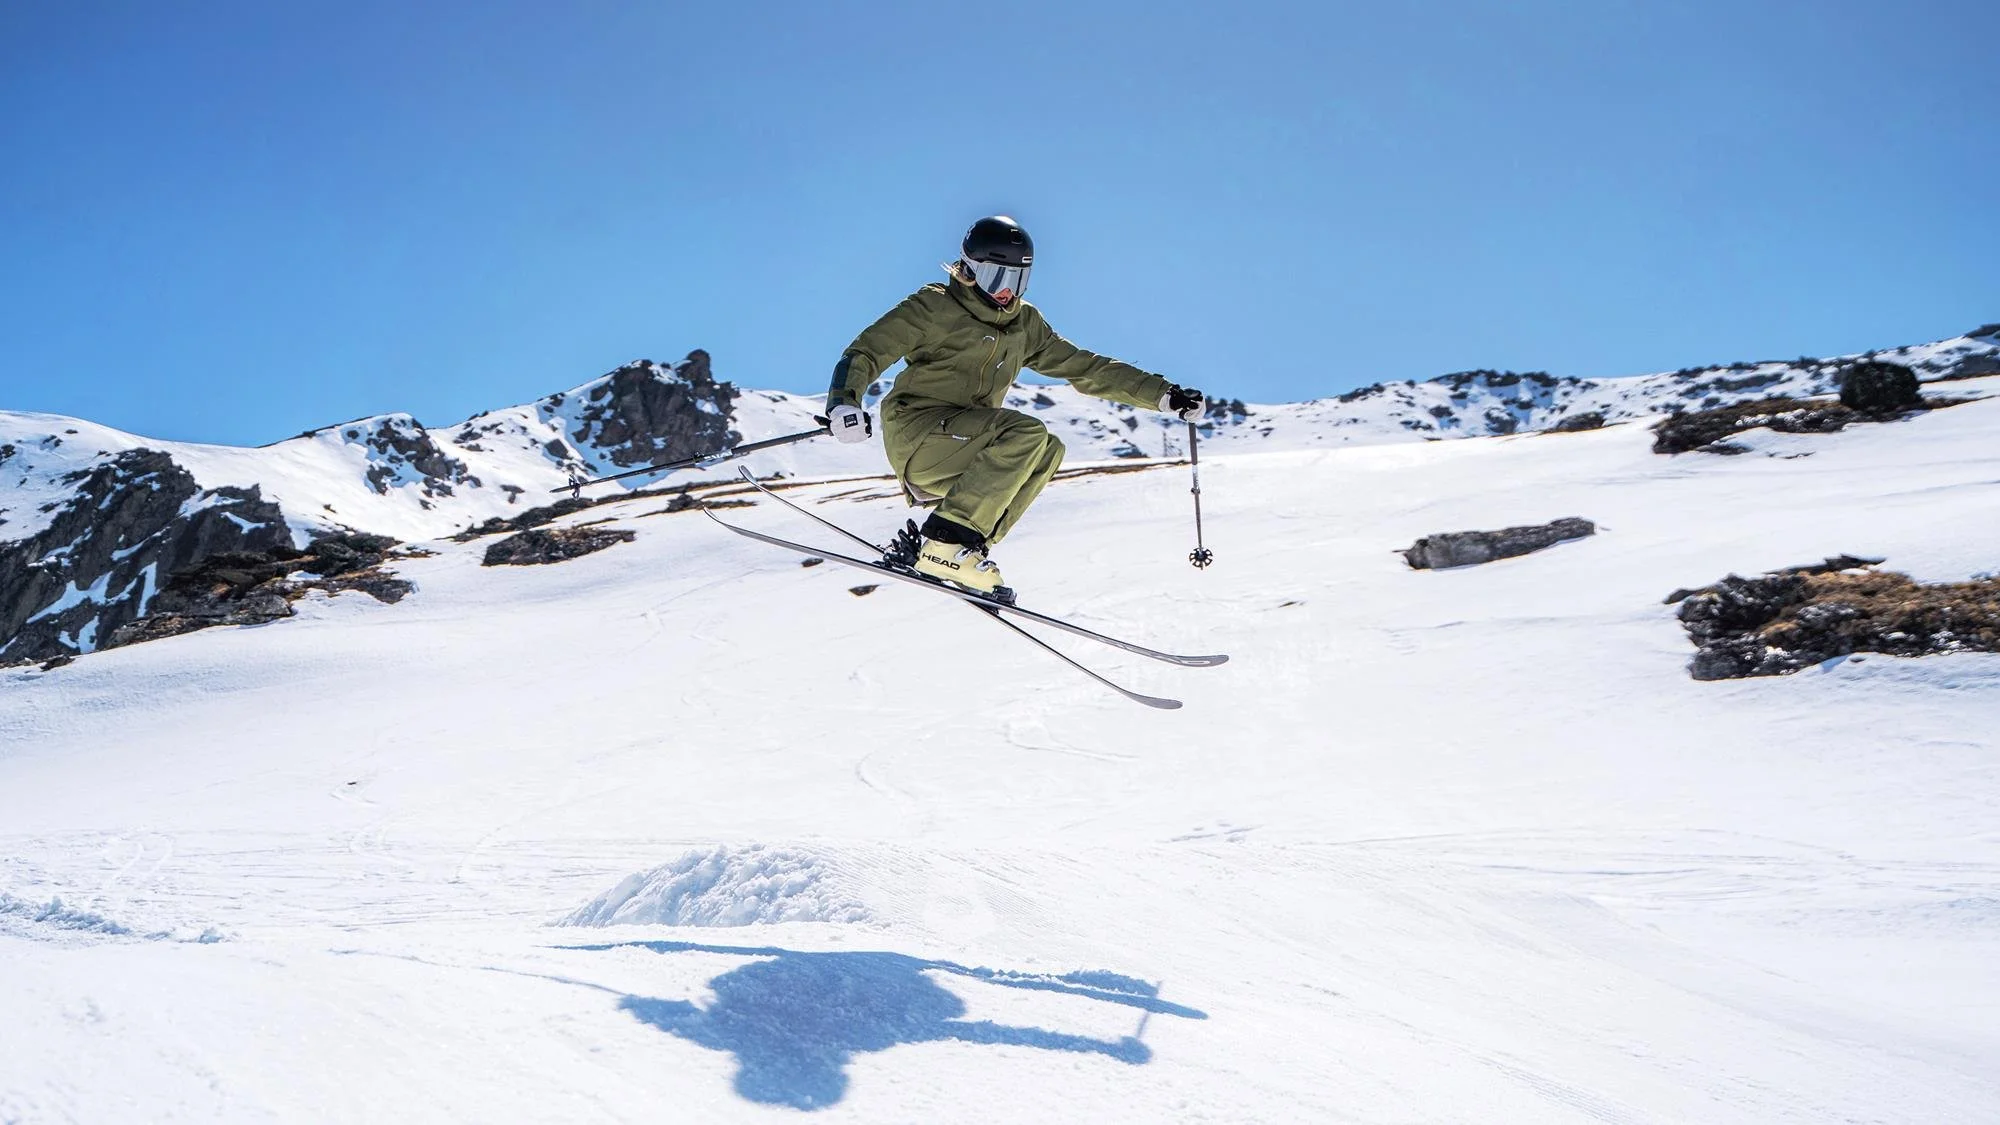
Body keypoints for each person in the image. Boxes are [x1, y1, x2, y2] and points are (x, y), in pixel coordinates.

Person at [825, 215, 1206, 595]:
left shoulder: (1024, 324)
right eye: (998, 278)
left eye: (1018, 280)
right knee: (1025, 433)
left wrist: (1163, 394)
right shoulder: (933, 308)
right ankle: (946, 542)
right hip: (920, 434)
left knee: (1048, 451)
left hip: (968, 440)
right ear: (970, 269)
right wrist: (844, 403)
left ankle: (964, 550)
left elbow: (1086, 367)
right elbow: (866, 351)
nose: (1008, 291)